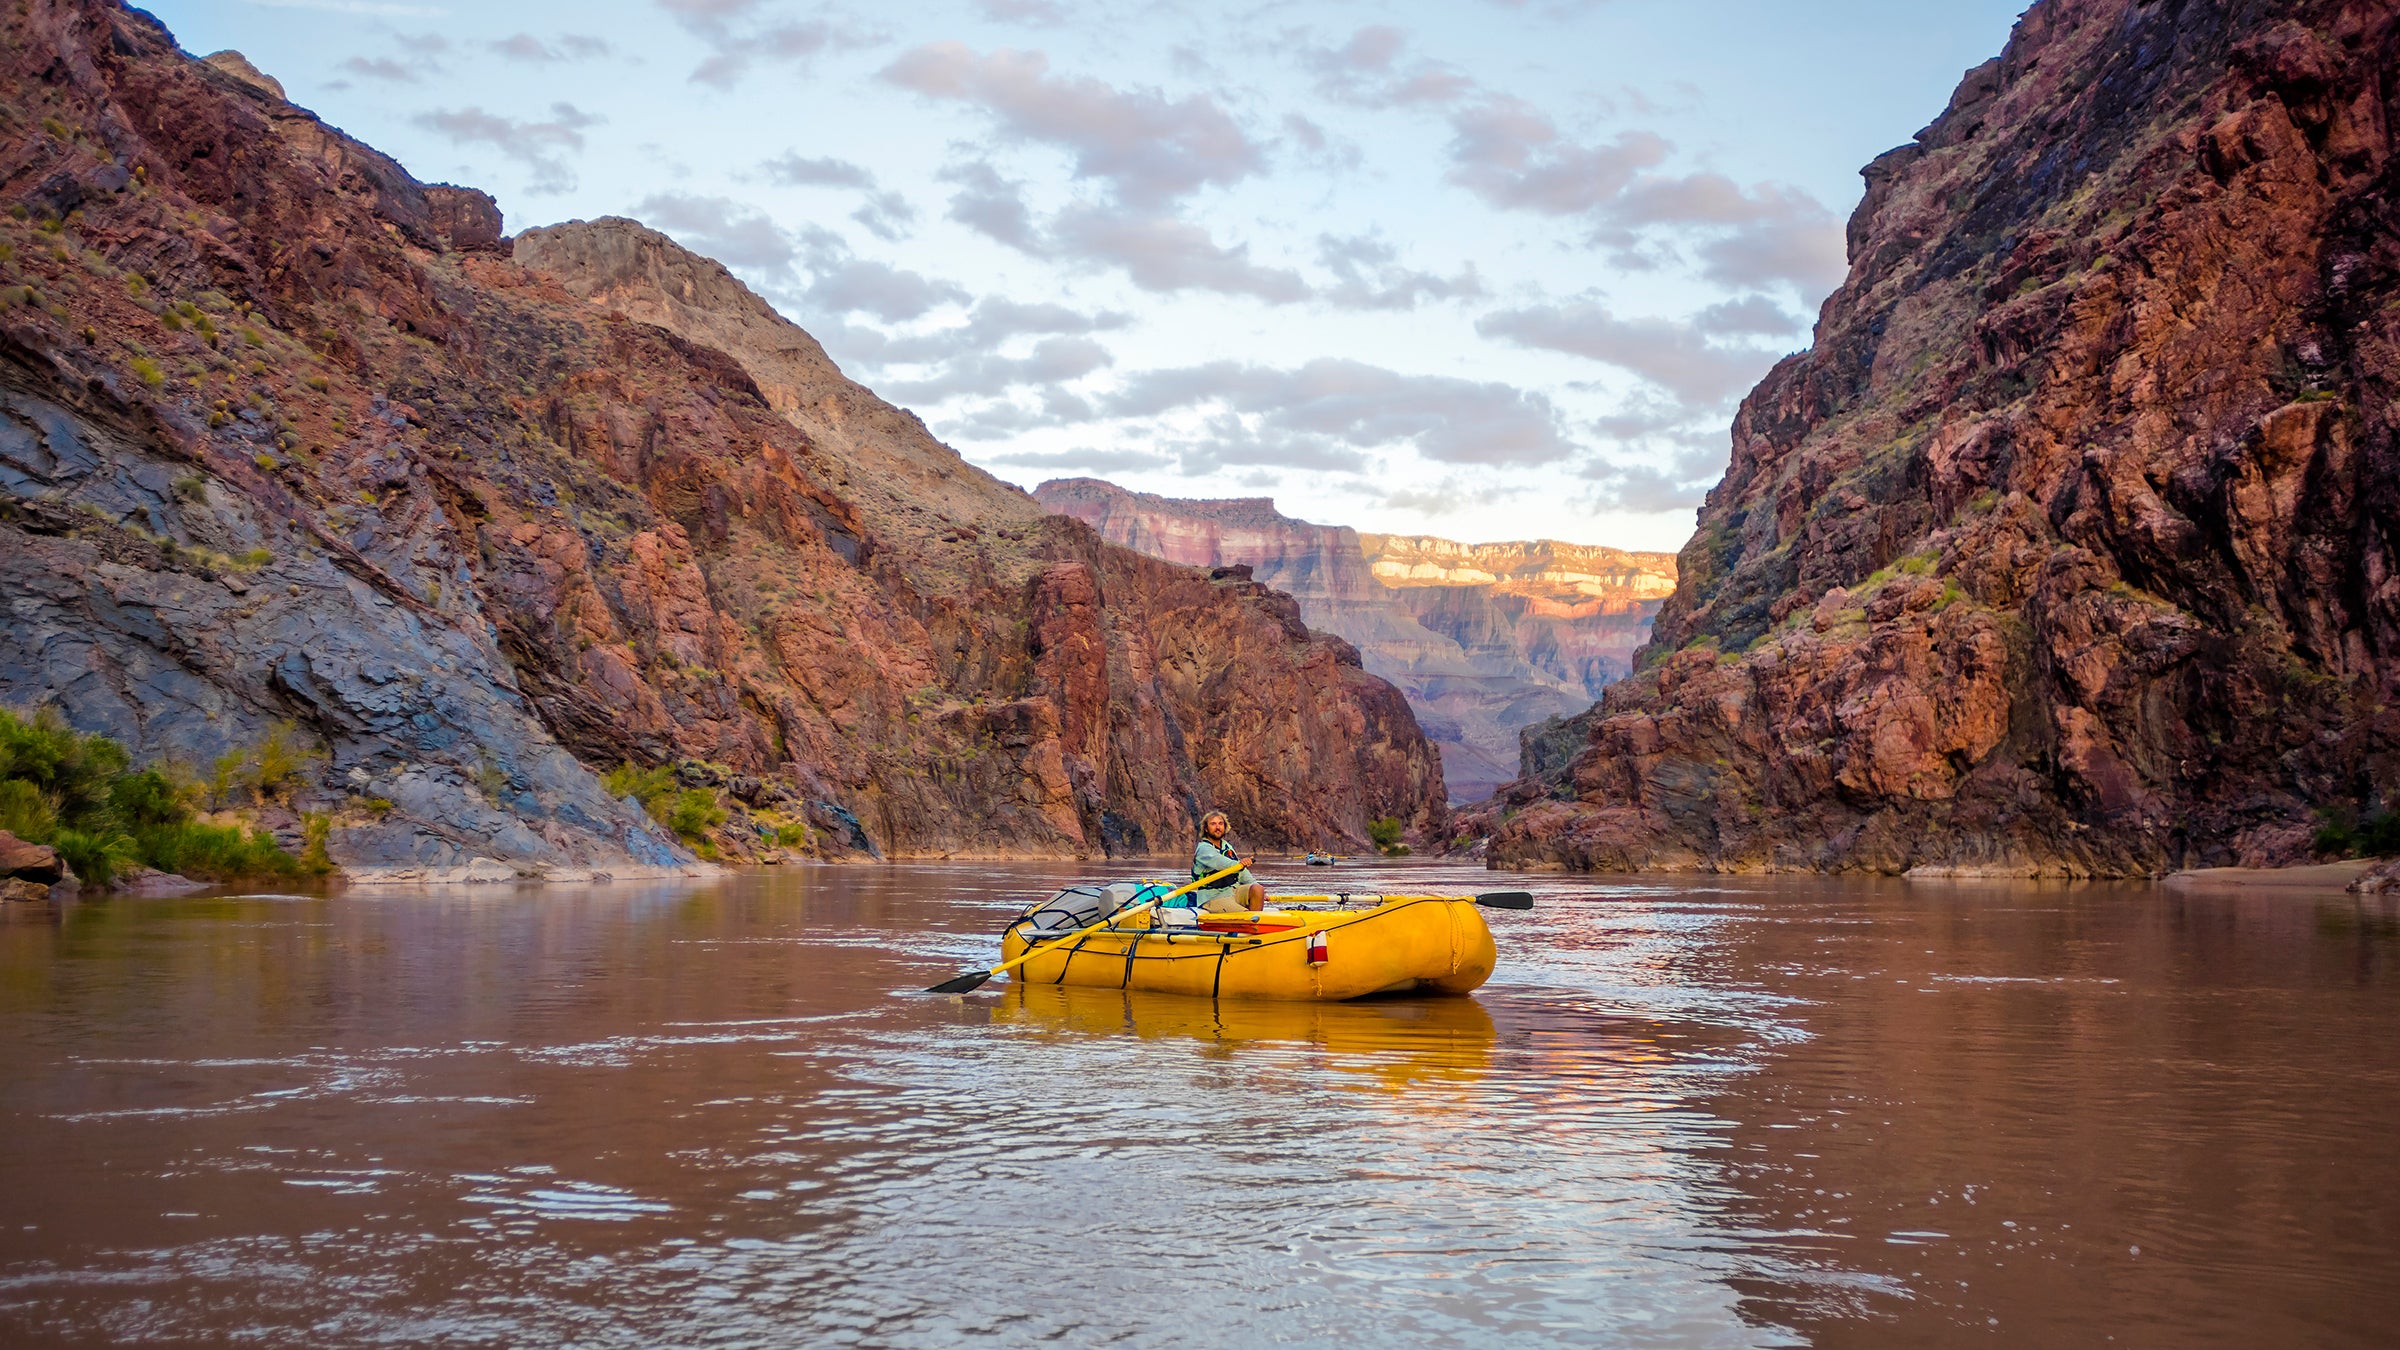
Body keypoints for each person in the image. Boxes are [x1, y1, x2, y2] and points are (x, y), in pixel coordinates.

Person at [1191, 811, 1267, 913]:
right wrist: (1240, 864)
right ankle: (1250, 918)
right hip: (1213, 897)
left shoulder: (1226, 846)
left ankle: (1256, 918)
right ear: (1206, 829)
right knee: (1245, 914)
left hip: (1232, 891)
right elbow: (1221, 863)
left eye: (1220, 823)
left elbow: (1241, 872)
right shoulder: (1203, 849)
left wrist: (1255, 886)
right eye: (1213, 824)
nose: (1217, 827)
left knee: (1258, 889)